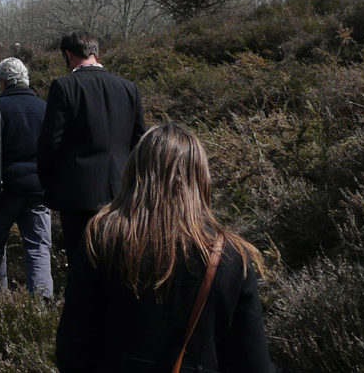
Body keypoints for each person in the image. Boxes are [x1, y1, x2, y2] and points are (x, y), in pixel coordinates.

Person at [56, 124, 272, 372]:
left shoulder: (102, 239)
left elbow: (72, 347)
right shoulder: (232, 256)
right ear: (200, 177)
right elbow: (252, 362)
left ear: (134, 172)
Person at [38, 32, 146, 265]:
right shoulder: (129, 88)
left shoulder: (64, 87)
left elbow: (51, 142)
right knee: (118, 262)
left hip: (78, 193)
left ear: (68, 54)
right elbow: (140, 140)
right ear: (95, 52)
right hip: (121, 190)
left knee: (82, 264)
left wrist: (48, 183)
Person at [0, 58, 53, 298]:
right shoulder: (45, 107)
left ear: (2, 81)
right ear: (26, 78)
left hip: (3, 190)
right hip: (39, 189)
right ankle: (41, 304)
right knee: (38, 248)